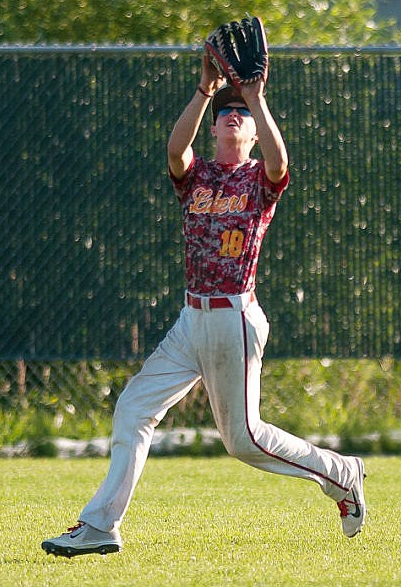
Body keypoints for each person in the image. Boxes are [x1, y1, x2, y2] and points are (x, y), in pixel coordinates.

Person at [42, 52, 366, 558]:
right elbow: (175, 151)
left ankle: (340, 472)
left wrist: (257, 98)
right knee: (133, 409)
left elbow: (282, 164)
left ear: (254, 132)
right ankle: (100, 525)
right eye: (225, 114)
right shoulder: (196, 177)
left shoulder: (258, 178)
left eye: (243, 115)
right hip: (191, 320)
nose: (232, 117)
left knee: (244, 442)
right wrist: (205, 90)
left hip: (233, 319)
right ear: (213, 129)